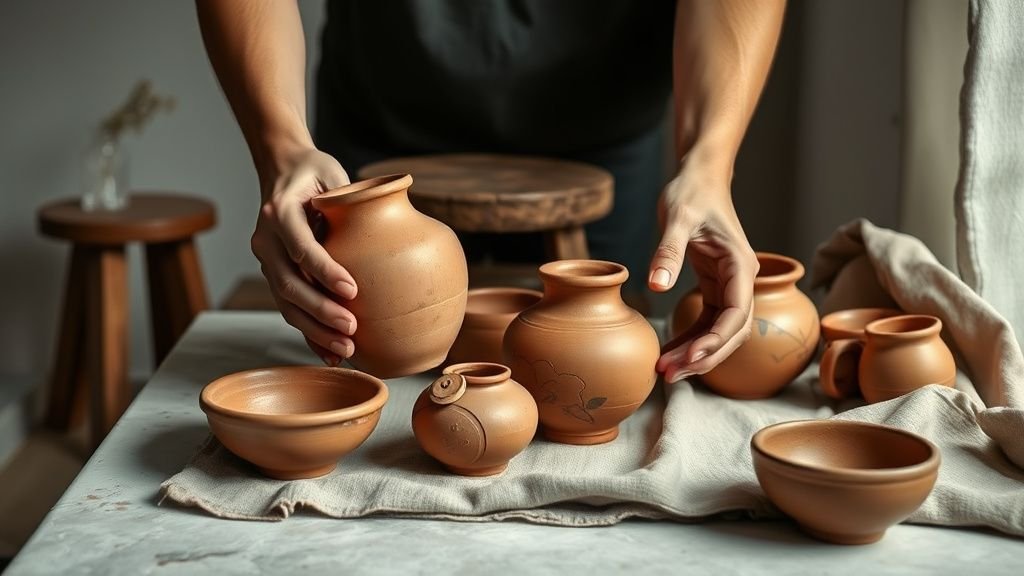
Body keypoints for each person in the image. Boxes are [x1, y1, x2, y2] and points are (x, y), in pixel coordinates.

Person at [196, 0, 785, 383]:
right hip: (381, 126)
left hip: (601, 125)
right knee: (366, 362)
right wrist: (282, 147)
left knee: (587, 366)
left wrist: (709, 161)